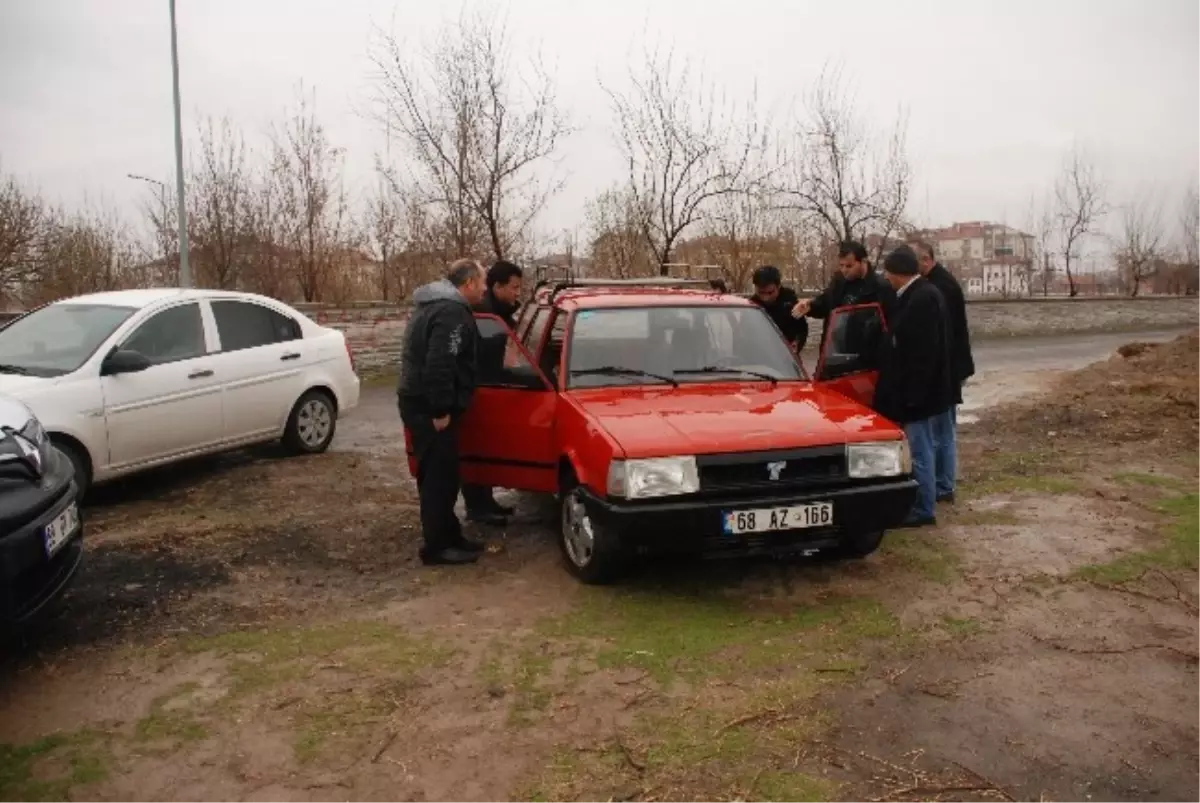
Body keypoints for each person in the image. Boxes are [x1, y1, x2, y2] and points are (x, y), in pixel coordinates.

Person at [398, 259, 488, 565]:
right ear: (469, 284)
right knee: (439, 479)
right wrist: (440, 409)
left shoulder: (435, 305)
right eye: (483, 282)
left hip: (418, 401)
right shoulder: (450, 312)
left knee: (442, 474)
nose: (484, 289)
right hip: (428, 407)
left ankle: (451, 536)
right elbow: (440, 363)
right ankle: (438, 547)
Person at [872, 245, 954, 528]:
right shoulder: (920, 294)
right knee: (922, 448)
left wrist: (913, 397)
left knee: (920, 452)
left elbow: (923, 354)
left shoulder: (922, 299)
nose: (887, 279)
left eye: (889, 274)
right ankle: (921, 503)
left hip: (920, 394)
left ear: (899, 274)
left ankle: (923, 507)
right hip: (921, 391)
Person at [912, 241, 975, 505]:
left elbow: (945, 336)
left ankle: (943, 486)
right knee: (942, 428)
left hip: (948, 366)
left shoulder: (941, 287)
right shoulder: (939, 283)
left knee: (942, 429)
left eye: (913, 264)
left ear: (926, 261)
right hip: (950, 365)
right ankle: (942, 483)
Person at [462, 259, 524, 525]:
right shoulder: (483, 314)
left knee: (485, 449)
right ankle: (478, 507)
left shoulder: (496, 310)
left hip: (486, 387)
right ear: (496, 286)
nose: (517, 293)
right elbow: (485, 357)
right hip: (478, 388)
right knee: (476, 450)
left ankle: (486, 502)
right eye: (514, 288)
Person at [791, 240, 896, 348]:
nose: (844, 270)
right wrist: (810, 306)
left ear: (863, 261)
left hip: (866, 353)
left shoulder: (881, 288)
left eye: (849, 266)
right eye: (841, 265)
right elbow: (826, 302)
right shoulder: (838, 282)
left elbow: (889, 325)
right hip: (835, 352)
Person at [750, 266, 808, 354]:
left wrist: (797, 342)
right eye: (761, 292)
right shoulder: (752, 305)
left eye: (770, 292)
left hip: (786, 354)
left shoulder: (790, 301)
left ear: (779, 286)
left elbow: (801, 328)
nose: (765, 298)